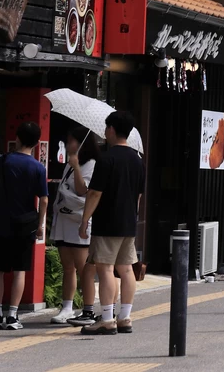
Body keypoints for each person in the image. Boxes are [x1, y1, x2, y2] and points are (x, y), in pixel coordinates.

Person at [79, 110, 145, 335]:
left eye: (106, 129)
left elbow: (95, 193)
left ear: (112, 130)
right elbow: (138, 195)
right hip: (128, 222)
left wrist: (85, 219)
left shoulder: (106, 159)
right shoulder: (137, 160)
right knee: (126, 269)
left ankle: (107, 319)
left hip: (107, 222)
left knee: (105, 268)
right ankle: (125, 317)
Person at [0, 119, 48, 330]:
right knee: (19, 270)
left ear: (17, 138)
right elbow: (44, 198)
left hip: (2, 221)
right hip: (26, 222)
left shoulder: (4, 161)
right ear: (37, 142)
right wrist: (40, 224)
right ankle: (12, 316)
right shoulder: (38, 168)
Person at [49, 129, 99, 325]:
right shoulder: (69, 165)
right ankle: (67, 308)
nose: (68, 144)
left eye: (71, 141)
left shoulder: (90, 164)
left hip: (79, 221)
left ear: (81, 144)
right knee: (67, 266)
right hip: (64, 219)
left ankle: (88, 309)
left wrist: (77, 167)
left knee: (83, 268)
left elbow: (82, 190)